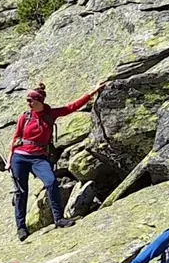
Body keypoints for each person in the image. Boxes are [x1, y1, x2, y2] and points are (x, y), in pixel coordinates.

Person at [11, 81, 104, 241]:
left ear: (39, 101)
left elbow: (71, 107)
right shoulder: (24, 117)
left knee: (51, 182)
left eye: (31, 101)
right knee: (21, 192)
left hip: (39, 157)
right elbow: (16, 138)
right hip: (19, 157)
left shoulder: (50, 114)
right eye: (27, 101)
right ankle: (21, 228)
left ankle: (59, 219)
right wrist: (9, 159)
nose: (28, 103)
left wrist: (92, 93)